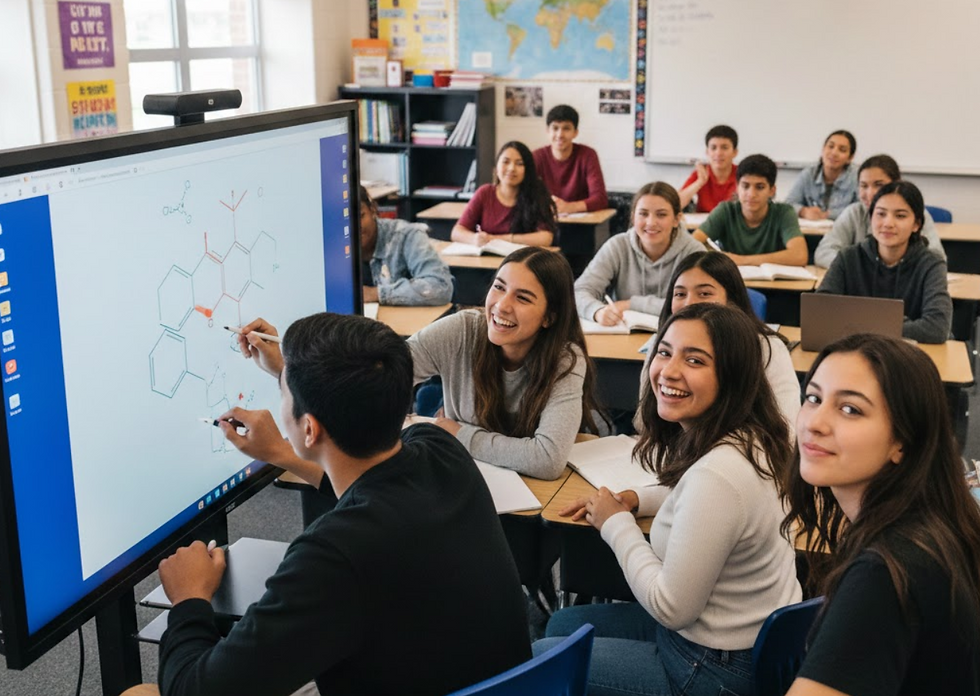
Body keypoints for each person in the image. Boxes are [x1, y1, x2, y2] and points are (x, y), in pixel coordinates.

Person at [156, 313, 531, 696]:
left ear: (309, 428)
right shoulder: (439, 449)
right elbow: (370, 484)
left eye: (284, 395)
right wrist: (285, 430)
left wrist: (189, 599)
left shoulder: (333, 555)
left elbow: (193, 690)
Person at [536, 303, 801, 696]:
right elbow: (698, 493)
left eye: (694, 360)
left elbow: (671, 607)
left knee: (542, 659)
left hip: (712, 666)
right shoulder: (751, 437)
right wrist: (635, 499)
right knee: (562, 626)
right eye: (664, 351)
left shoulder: (720, 475)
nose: (669, 371)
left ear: (733, 377)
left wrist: (616, 524)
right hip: (743, 640)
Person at [784, 333, 980, 695]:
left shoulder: (885, 573)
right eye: (813, 398)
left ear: (902, 441)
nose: (814, 422)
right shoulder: (939, 518)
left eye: (850, 409)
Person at [408, 246, 604, 480]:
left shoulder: (564, 359)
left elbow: (548, 459)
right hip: (458, 477)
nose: (502, 305)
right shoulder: (462, 330)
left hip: (531, 495)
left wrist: (461, 434)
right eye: (499, 287)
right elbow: (387, 372)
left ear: (549, 317)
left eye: (522, 298)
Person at [634, 251, 800, 430]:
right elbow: (644, 422)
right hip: (672, 452)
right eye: (680, 294)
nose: (690, 303)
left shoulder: (768, 349)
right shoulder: (662, 342)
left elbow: (787, 429)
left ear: (732, 300)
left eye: (704, 293)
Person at [817, 181, 952, 344]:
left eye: (900, 216)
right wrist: (894, 326)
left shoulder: (931, 264)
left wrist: (858, 324)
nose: (888, 223)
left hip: (908, 358)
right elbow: (821, 314)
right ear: (871, 218)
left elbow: (936, 328)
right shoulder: (848, 257)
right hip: (857, 354)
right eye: (881, 214)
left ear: (916, 224)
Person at [574, 182, 703, 324]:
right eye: (643, 214)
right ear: (633, 217)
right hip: (624, 333)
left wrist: (631, 304)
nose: (651, 222)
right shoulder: (617, 246)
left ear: (676, 220)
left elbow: (695, 304)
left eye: (661, 215)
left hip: (677, 335)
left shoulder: (694, 252)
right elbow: (579, 291)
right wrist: (597, 311)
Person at [813, 155, 946, 268]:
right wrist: (860, 269)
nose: (870, 193)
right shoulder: (854, 213)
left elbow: (937, 258)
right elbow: (824, 252)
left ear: (897, 184)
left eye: (879, 185)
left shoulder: (917, 214)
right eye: (863, 186)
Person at [693, 154, 808, 266]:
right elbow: (692, 244)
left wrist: (742, 260)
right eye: (745, 186)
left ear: (772, 191)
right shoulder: (726, 211)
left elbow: (799, 255)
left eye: (760, 187)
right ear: (737, 187)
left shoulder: (784, 213)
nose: (751, 194)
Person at [357, 186, 453, 305]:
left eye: (360, 216)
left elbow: (439, 286)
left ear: (373, 210)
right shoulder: (331, 248)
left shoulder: (406, 235)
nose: (353, 226)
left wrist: (376, 293)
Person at [452, 140, 557, 247]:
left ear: (527, 170)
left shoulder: (536, 193)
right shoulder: (485, 193)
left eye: (519, 164)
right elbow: (457, 232)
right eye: (506, 162)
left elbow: (545, 238)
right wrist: (475, 239)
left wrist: (497, 239)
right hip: (487, 259)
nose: (511, 168)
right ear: (496, 167)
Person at [533, 104, 608, 214]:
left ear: (575, 132)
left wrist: (569, 207)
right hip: (545, 221)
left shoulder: (588, 155)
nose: (560, 135)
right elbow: (522, 195)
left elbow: (600, 199)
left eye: (566, 128)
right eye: (555, 128)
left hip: (581, 224)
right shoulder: (536, 157)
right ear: (547, 131)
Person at [785, 130, 859, 220]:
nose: (834, 153)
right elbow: (788, 204)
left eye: (842, 150)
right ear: (823, 149)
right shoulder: (809, 173)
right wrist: (803, 211)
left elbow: (861, 209)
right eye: (830, 146)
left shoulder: (857, 177)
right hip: (811, 232)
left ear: (850, 158)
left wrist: (828, 214)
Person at [678, 124, 739, 213]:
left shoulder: (742, 174)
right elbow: (676, 204)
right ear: (707, 152)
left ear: (735, 152)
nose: (718, 153)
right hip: (704, 225)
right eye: (713, 148)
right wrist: (700, 182)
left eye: (724, 148)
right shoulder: (701, 173)